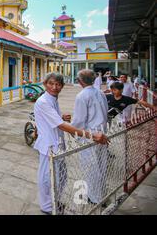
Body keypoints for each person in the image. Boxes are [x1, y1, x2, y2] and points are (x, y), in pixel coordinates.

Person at [34, 72, 109, 215]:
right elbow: (61, 125)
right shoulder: (43, 101)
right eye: (51, 83)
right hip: (48, 145)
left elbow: (54, 120)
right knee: (46, 177)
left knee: (61, 177)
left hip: (58, 144)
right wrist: (91, 135)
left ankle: (54, 200)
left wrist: (60, 117)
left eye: (58, 84)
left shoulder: (53, 99)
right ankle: (47, 207)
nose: (55, 87)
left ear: (62, 86)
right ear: (45, 84)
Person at [71, 69, 109, 205]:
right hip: (102, 132)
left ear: (80, 81)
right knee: (101, 165)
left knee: (91, 167)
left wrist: (72, 130)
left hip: (91, 135)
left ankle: (95, 198)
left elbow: (79, 120)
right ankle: (101, 194)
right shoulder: (100, 93)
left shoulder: (82, 96)